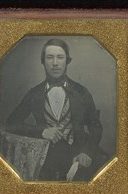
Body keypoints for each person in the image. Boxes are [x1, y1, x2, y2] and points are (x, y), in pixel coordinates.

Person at [6, 39, 108, 181]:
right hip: (47, 159)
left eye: (60, 57)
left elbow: (96, 127)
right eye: (49, 57)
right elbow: (11, 123)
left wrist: (87, 152)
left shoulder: (81, 92)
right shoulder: (34, 94)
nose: (55, 63)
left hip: (78, 154)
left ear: (67, 61)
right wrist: (41, 131)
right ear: (43, 61)